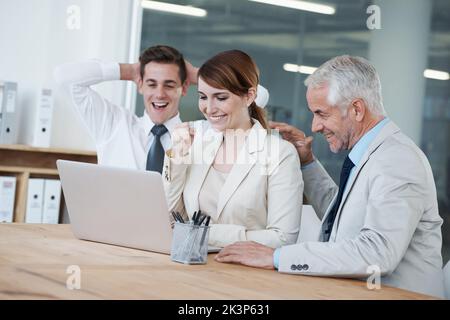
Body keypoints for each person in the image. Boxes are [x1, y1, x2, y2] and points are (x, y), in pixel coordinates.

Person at [215, 55, 445, 298]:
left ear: (357, 109)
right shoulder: (372, 153)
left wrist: (277, 256)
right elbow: (345, 217)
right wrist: (307, 163)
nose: (314, 126)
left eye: (321, 114)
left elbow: (378, 253)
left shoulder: (397, 160)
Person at [162, 50, 303, 249]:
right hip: (191, 268)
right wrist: (176, 158)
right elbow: (169, 220)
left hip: (247, 274)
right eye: (203, 97)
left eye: (220, 98)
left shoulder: (280, 153)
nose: (209, 108)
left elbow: (283, 238)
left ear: (249, 96)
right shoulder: (197, 144)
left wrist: (204, 233)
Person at [53, 45, 269, 172]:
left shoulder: (203, 133)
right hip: (116, 239)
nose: (159, 94)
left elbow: (260, 96)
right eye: (151, 83)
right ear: (140, 85)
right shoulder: (113, 125)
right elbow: (64, 78)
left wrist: (197, 75)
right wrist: (130, 70)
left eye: (169, 84)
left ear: (184, 88)